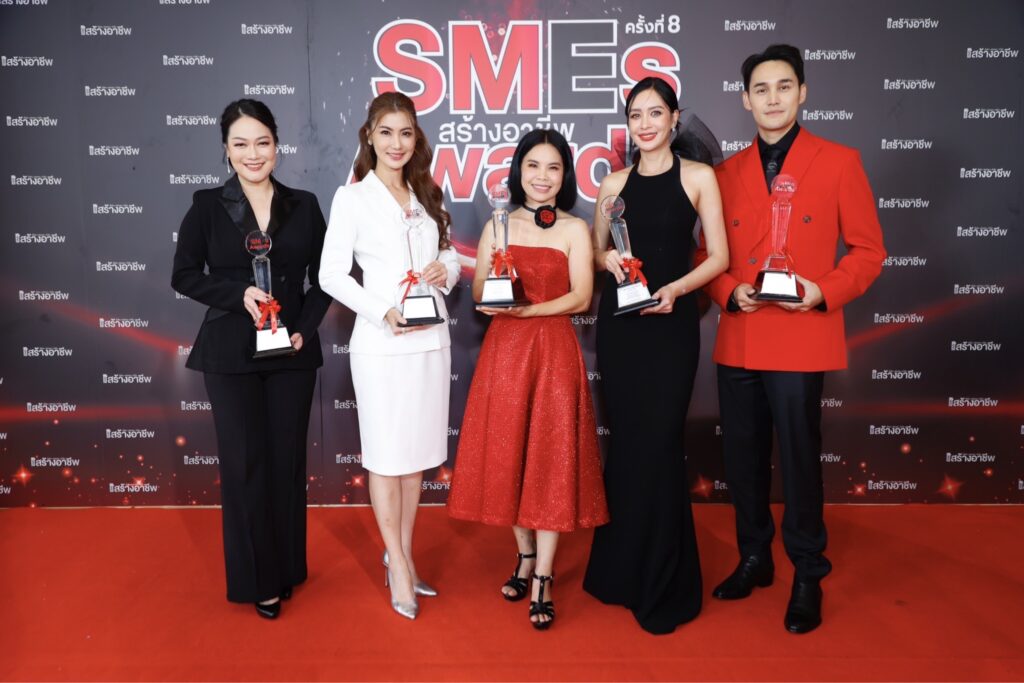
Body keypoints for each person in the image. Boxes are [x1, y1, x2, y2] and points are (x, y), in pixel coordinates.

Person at [695, 44, 885, 634]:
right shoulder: (723, 174)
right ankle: (754, 557)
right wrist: (729, 291)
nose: (772, 98)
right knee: (742, 458)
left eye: (784, 86)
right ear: (745, 99)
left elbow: (869, 251)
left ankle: (808, 570)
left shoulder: (840, 161)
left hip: (802, 334)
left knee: (800, 460)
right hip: (742, 335)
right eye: (761, 89)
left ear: (802, 92)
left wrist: (822, 290)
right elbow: (704, 255)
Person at [171, 99, 332, 619]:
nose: (253, 153)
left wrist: (305, 330)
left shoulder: (304, 204)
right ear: (226, 149)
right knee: (244, 466)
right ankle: (258, 580)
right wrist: (236, 293)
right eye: (240, 144)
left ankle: (286, 568)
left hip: (290, 351)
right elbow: (184, 274)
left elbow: (325, 279)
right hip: (230, 353)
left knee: (286, 465)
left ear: (277, 146)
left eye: (262, 142)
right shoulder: (206, 206)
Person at [582, 76, 729, 634]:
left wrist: (677, 290)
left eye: (655, 113)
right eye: (635, 115)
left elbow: (719, 256)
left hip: (671, 329)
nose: (644, 124)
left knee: (661, 446)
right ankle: (620, 573)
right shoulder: (612, 184)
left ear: (674, 119)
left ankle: (664, 582)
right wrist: (605, 260)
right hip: (621, 330)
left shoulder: (698, 177)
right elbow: (595, 251)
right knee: (626, 445)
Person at [447, 129, 609, 630]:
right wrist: (502, 297)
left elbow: (581, 297)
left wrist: (528, 311)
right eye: (533, 166)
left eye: (553, 167)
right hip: (505, 351)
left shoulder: (575, 229)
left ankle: (543, 577)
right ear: (519, 171)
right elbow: (479, 289)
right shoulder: (499, 224)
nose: (542, 177)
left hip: (554, 350)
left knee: (549, 459)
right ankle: (524, 555)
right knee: (510, 454)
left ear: (565, 176)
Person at [318, 91, 459, 621]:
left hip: (430, 340)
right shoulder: (352, 198)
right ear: (369, 137)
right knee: (385, 456)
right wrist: (381, 310)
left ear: (415, 138)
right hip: (381, 345)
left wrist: (447, 268)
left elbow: (448, 253)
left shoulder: (426, 192)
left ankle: (403, 552)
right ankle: (397, 563)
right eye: (386, 132)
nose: (396, 143)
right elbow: (331, 274)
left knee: (416, 457)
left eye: (406, 133)